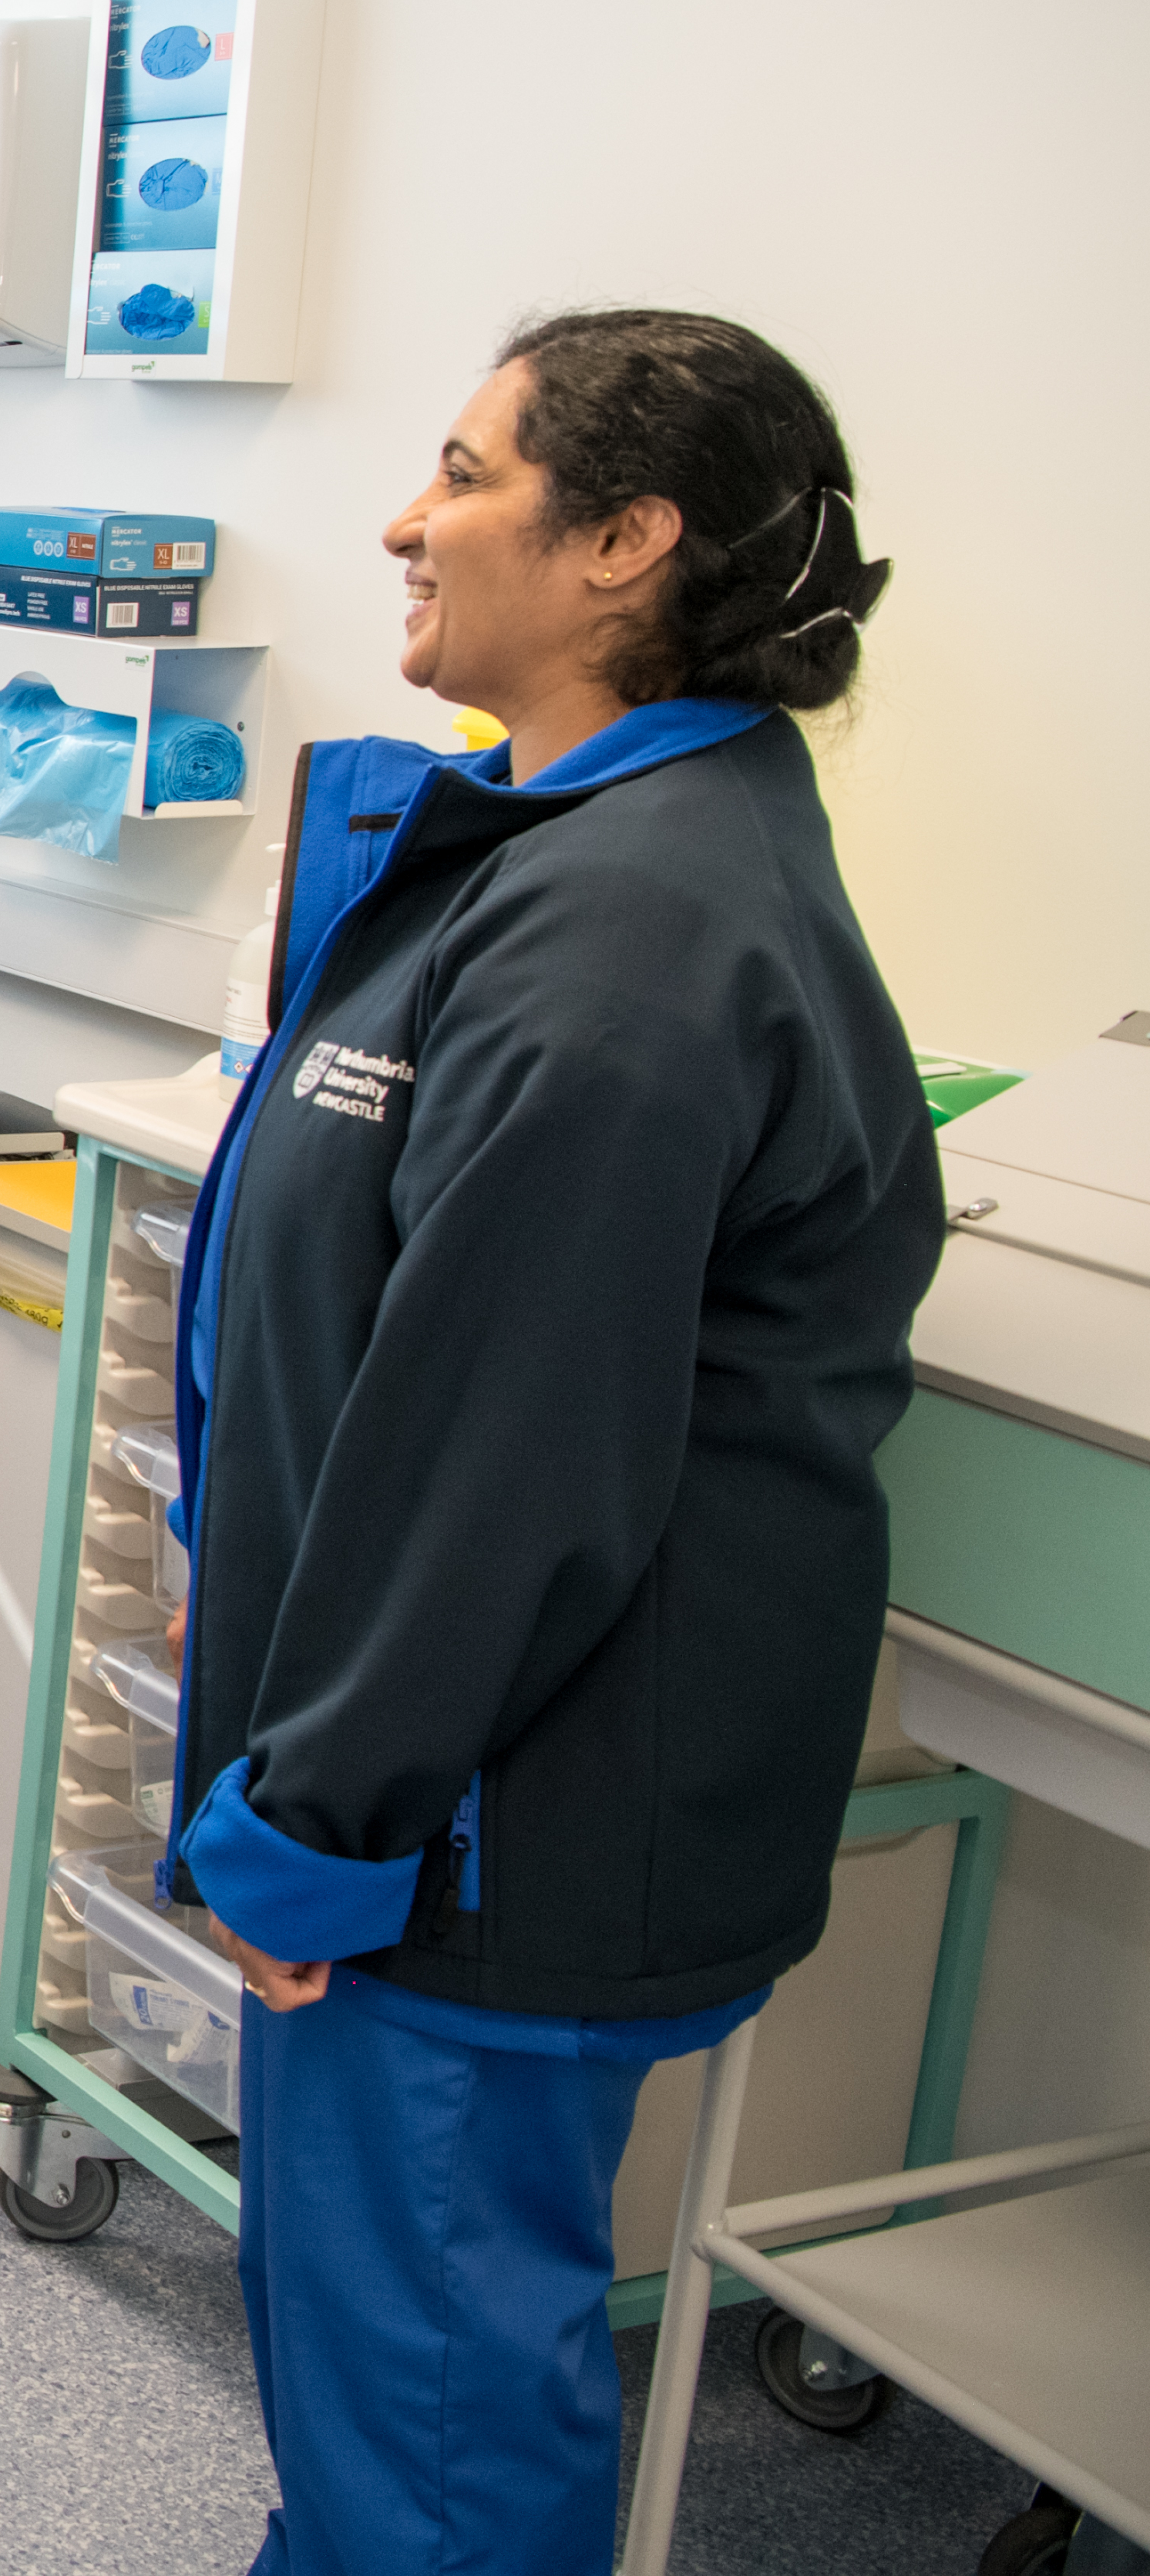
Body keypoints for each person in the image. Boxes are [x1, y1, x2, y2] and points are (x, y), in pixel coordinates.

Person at [171, 311, 928, 2575]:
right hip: (442, 1771)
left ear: (623, 542)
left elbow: (506, 1453)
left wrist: (323, 1804)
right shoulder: (584, 843)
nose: (404, 520)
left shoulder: (632, 927)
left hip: (476, 1823)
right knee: (382, 2381)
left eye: (464, 470)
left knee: (429, 2414)